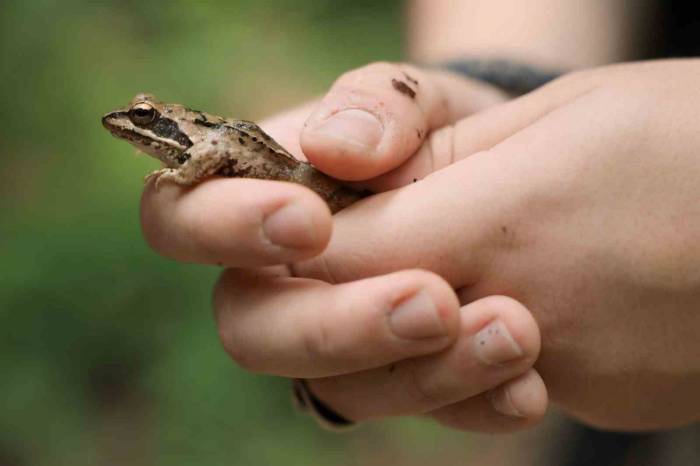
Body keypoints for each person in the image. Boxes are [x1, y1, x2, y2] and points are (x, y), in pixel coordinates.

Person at [140, 0, 700, 438]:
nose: (133, 122)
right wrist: (499, 86)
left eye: (145, 117)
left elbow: (211, 159)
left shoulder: (200, 146)